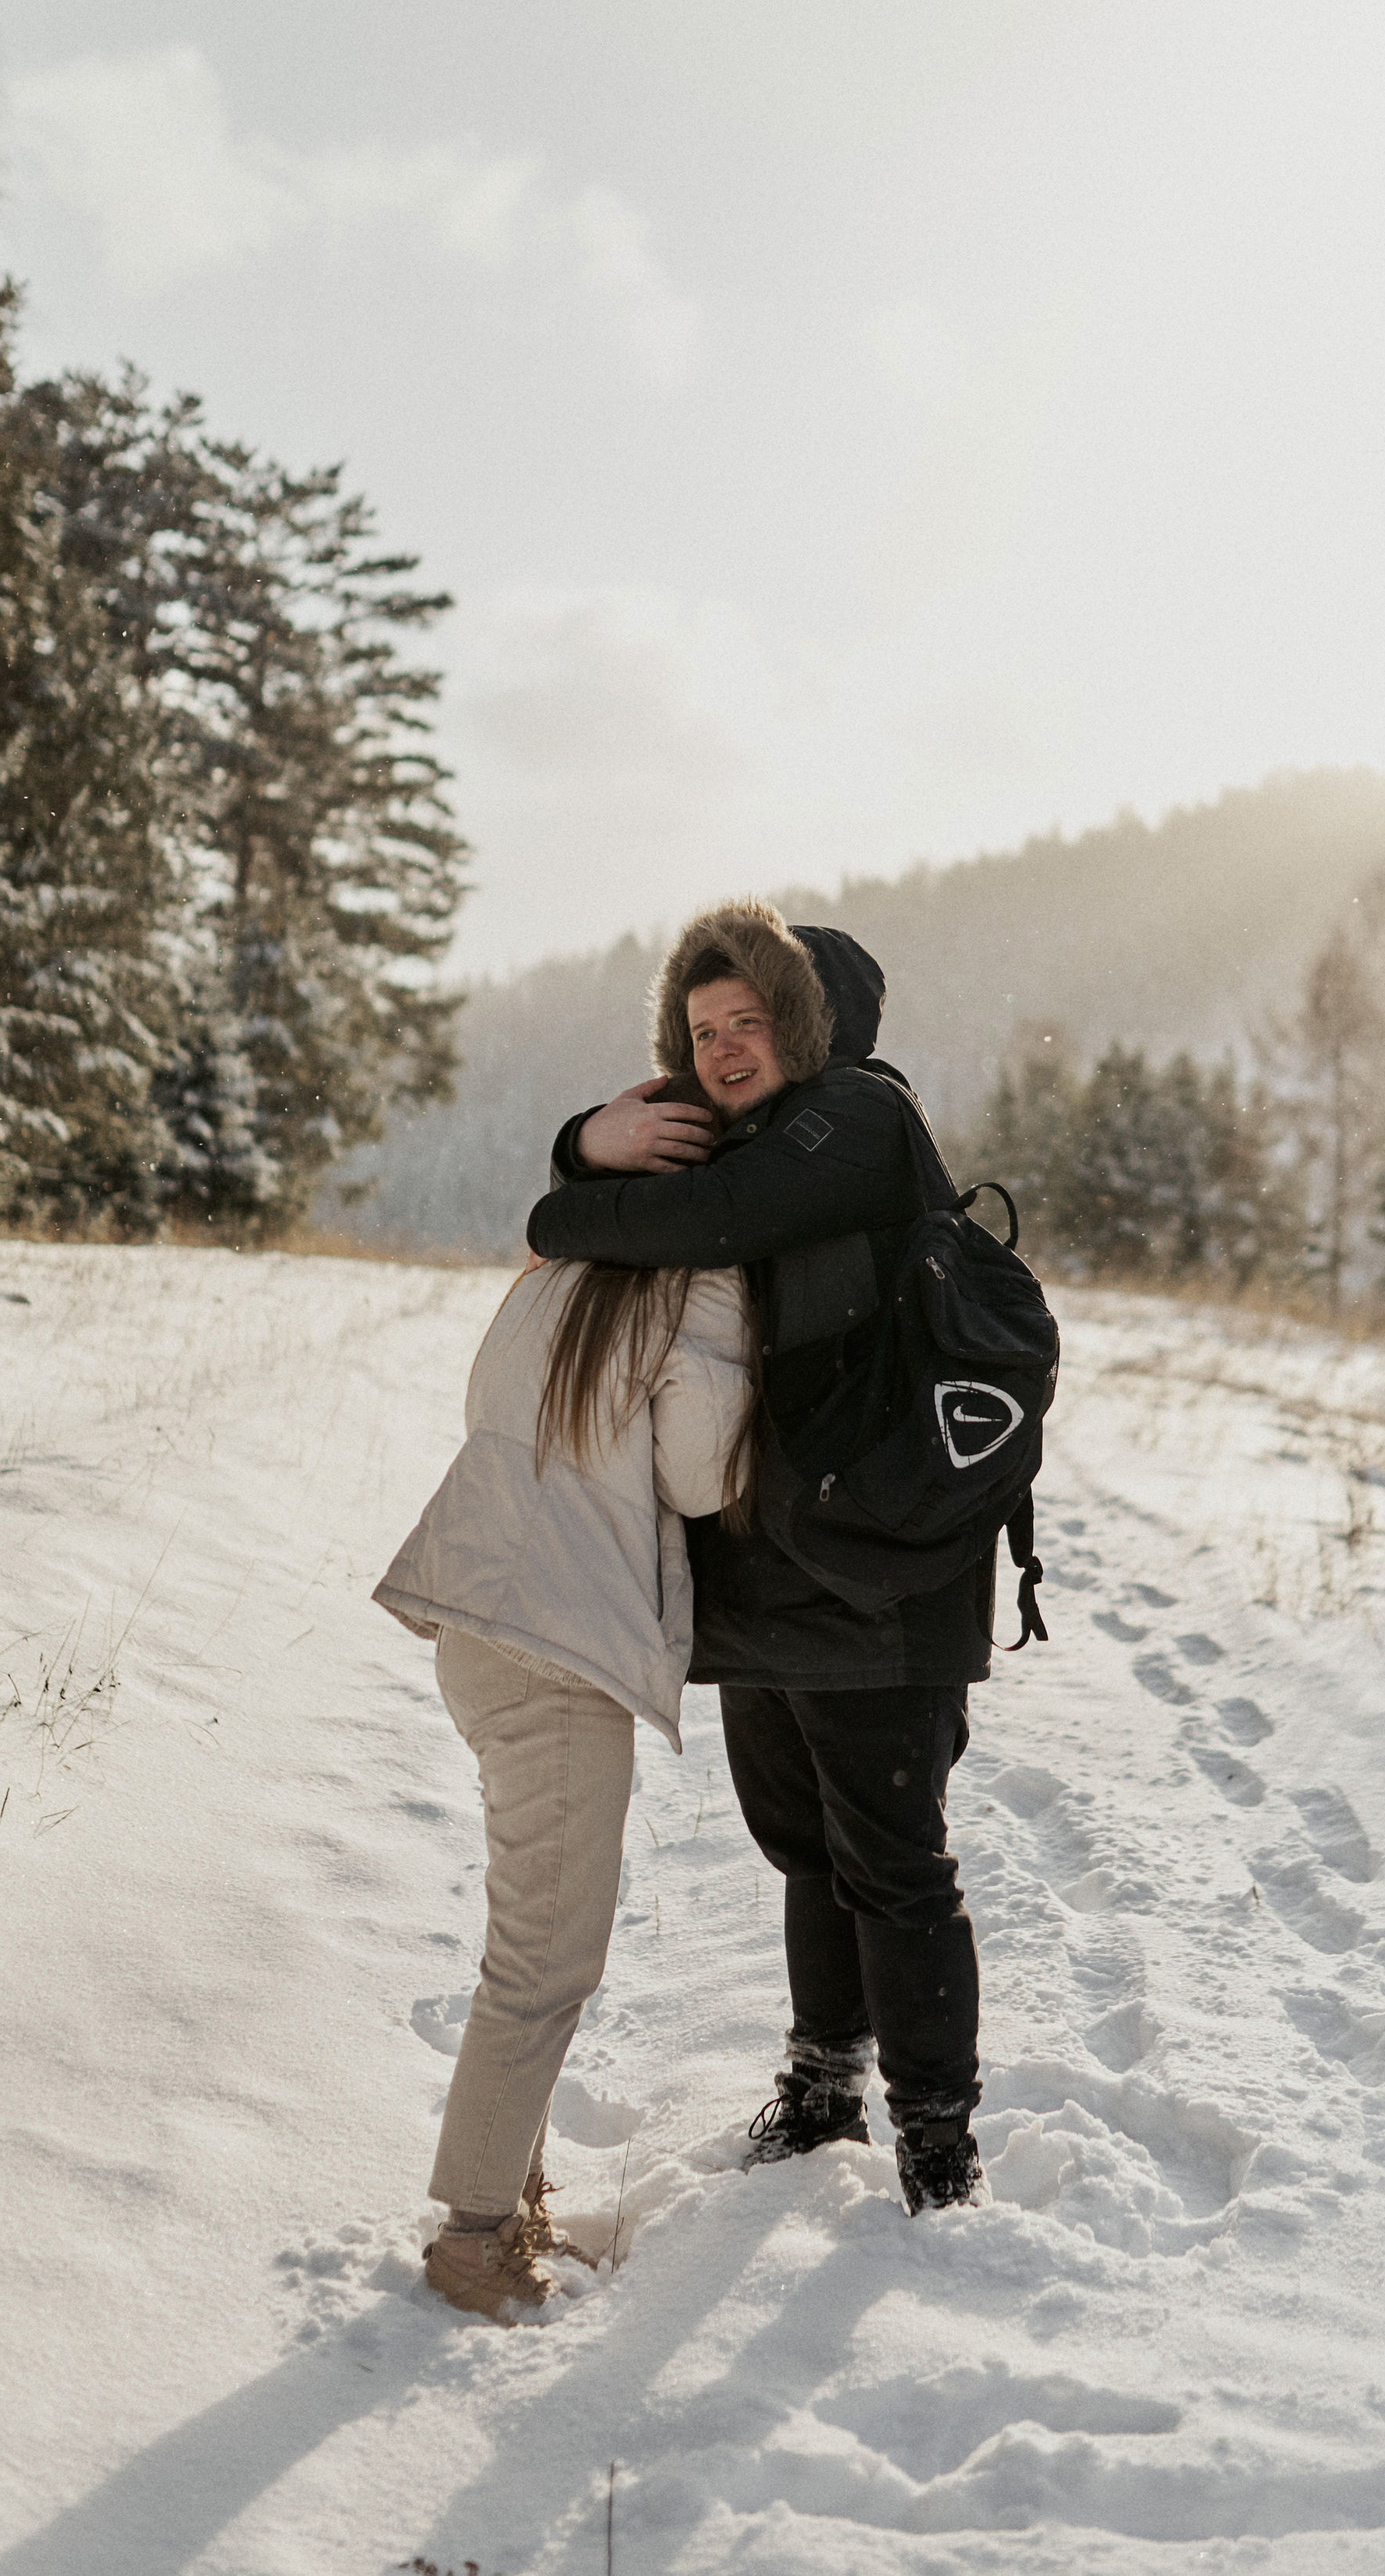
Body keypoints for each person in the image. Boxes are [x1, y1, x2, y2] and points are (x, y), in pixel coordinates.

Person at [523, 901, 993, 2213]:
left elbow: (694, 1221)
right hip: (775, 1565)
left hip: (881, 1568)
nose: (726, 1048)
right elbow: (666, 1201)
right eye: (704, 1027)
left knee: (894, 1860)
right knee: (807, 1848)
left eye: (755, 1021)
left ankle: (938, 2146)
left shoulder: (856, 1120)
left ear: (814, 1024)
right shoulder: (755, 1138)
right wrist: (588, 1144)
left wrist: (566, 1191)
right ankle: (824, 2084)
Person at [374, 1244, 753, 2322]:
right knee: (545, 1959)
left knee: (532, 1941)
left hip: (480, 1617)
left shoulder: (560, 1264)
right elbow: (702, 1474)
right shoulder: (698, 1282)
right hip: (557, 1641)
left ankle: (509, 2196)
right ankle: (475, 2238)